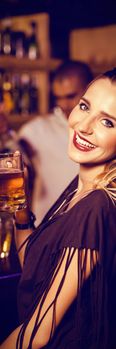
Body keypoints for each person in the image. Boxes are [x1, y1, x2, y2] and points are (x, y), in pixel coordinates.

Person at [0, 67, 116, 349]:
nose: (84, 125)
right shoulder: (78, 189)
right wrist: (20, 205)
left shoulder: (96, 207)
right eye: (85, 107)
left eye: (108, 122)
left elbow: (38, 333)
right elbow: (36, 270)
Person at [18, 60, 93, 225]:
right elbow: (11, 159)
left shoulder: (105, 130)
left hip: (91, 230)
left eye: (71, 96)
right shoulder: (36, 130)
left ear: (91, 88)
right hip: (46, 229)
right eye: (58, 98)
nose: (63, 105)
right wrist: (5, 134)